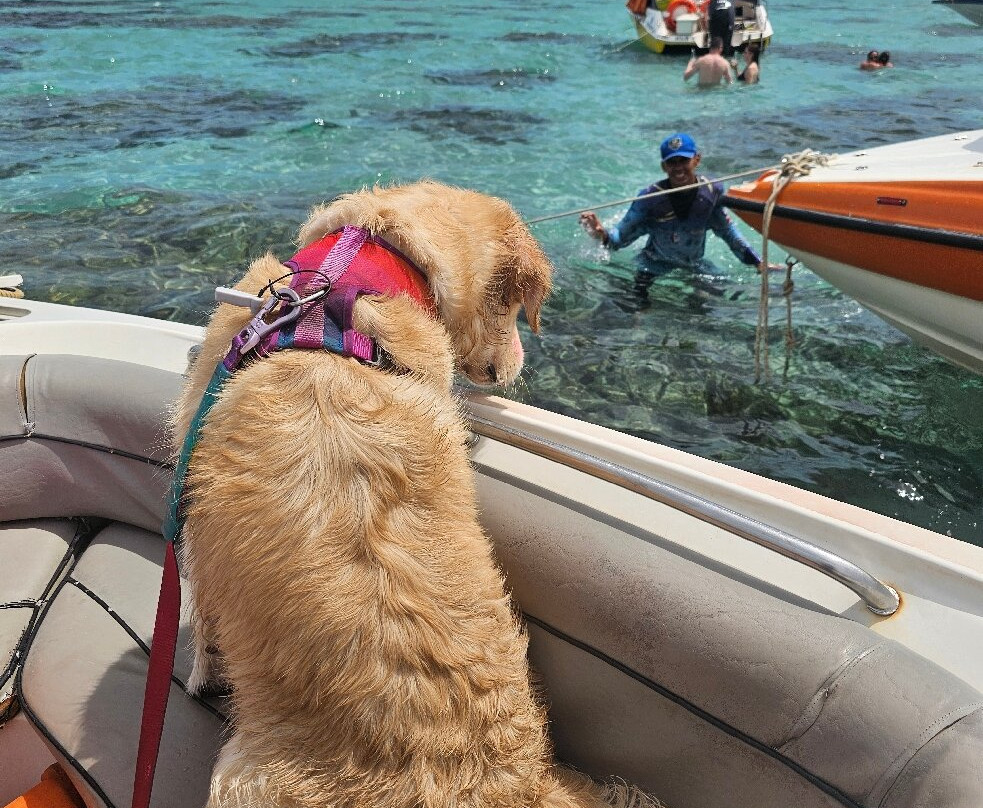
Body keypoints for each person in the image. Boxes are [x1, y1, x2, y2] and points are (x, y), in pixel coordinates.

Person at [579, 133, 771, 301]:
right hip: (653, 263)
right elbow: (618, 239)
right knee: (637, 306)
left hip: (694, 263)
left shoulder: (712, 193)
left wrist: (758, 262)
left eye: (683, 160)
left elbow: (728, 233)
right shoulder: (650, 199)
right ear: (664, 166)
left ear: (697, 160)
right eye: (672, 162)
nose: (678, 168)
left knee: (719, 298)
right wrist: (600, 233)